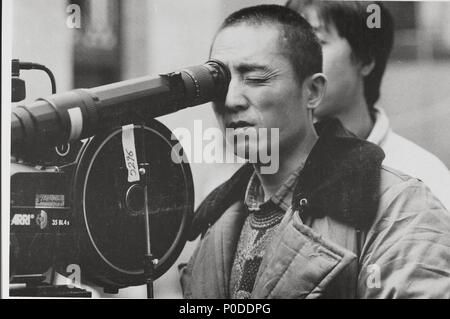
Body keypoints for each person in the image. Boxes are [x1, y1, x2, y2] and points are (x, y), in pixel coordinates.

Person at [180, 5, 450, 298]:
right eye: (218, 82)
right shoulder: (218, 214)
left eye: (256, 79)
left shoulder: (402, 205)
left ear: (312, 91)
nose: (231, 100)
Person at [286, 0, 450, 210]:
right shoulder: (266, 168)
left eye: (316, 42)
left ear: (366, 59)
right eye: (289, 44)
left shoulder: (422, 177)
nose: (294, 60)